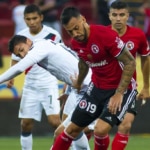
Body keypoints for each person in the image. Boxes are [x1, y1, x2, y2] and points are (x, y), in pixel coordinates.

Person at [50, 6, 138, 150]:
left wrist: (119, 94)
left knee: (100, 129)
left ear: (83, 20)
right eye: (70, 31)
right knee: (70, 130)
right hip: (97, 88)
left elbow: (130, 62)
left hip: (122, 88)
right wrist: (77, 83)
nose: (75, 34)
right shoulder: (75, 43)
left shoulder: (105, 35)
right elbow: (83, 63)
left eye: (76, 28)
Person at [2, 35, 91, 150]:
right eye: (19, 55)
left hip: (87, 88)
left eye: (21, 50)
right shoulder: (44, 43)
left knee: (61, 133)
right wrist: (69, 92)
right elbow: (71, 64)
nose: (23, 55)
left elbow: (19, 68)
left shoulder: (39, 48)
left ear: (28, 41)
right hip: (77, 88)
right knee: (72, 129)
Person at [7, 4, 62, 150]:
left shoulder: (53, 35)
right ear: (24, 20)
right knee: (25, 124)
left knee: (55, 122)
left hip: (49, 83)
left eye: (34, 18)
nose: (32, 22)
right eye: (28, 19)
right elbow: (15, 58)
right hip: (30, 85)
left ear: (41, 17)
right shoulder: (21, 36)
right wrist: (11, 76)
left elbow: (62, 55)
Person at [106, 1, 150, 149]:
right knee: (96, 129)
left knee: (125, 125)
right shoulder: (101, 34)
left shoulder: (138, 35)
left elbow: (145, 60)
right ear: (109, 16)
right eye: (115, 15)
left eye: (122, 15)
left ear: (127, 16)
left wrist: (146, 87)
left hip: (128, 89)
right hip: (103, 88)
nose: (118, 18)